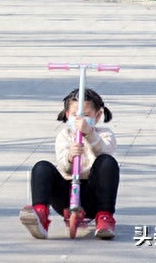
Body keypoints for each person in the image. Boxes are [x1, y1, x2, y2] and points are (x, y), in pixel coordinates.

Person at [19, 88, 119, 240]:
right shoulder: (64, 136)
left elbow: (105, 152)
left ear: (97, 115)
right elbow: (64, 165)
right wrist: (70, 157)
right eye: (75, 115)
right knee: (42, 167)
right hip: (67, 193)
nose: (80, 121)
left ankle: (104, 217)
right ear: (67, 115)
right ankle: (40, 215)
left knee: (107, 162)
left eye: (86, 115)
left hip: (93, 195)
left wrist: (90, 134)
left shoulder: (105, 134)